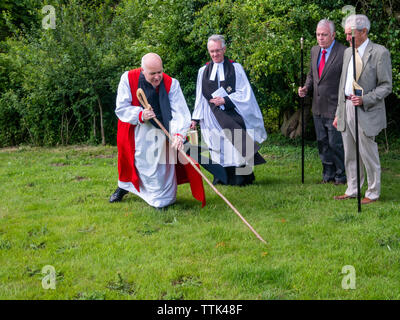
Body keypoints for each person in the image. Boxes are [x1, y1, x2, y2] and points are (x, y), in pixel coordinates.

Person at [110, 53, 205, 209]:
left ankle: (161, 200)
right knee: (136, 164)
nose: (157, 77)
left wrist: (179, 135)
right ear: (143, 70)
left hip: (163, 133)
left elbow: (180, 112)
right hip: (137, 130)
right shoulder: (128, 79)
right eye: (152, 73)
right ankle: (125, 187)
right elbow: (121, 107)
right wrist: (141, 114)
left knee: (161, 167)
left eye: (159, 72)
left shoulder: (171, 83)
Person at [190, 34, 267, 186]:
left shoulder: (235, 68)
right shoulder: (202, 71)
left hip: (233, 114)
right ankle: (221, 177)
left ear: (224, 49)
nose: (215, 54)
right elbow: (200, 96)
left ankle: (241, 178)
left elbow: (245, 93)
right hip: (212, 116)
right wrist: (195, 118)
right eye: (212, 51)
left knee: (236, 145)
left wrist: (226, 100)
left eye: (218, 50)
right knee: (217, 146)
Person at [333, 14, 392, 204]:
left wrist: (365, 99)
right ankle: (353, 189)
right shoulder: (348, 52)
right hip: (347, 106)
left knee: (368, 153)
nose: (347, 38)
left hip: (366, 109)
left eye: (350, 34)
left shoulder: (379, 53)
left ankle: (373, 192)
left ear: (364, 31)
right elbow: (344, 83)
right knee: (350, 152)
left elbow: (386, 86)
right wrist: (338, 112)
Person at [298, 19, 347, 185]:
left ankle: (341, 176)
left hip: (335, 106)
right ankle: (328, 175)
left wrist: (343, 107)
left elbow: (347, 81)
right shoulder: (314, 50)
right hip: (317, 107)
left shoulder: (344, 52)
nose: (320, 38)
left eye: (324, 35)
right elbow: (312, 75)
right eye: (318, 34)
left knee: (336, 144)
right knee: (323, 143)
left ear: (333, 35)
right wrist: (305, 88)